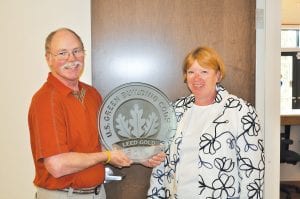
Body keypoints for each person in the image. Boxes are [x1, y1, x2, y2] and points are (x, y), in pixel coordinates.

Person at [28, 28, 136, 199]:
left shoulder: (92, 94)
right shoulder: (45, 100)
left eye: (76, 51)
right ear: (48, 58)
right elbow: (57, 165)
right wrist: (107, 156)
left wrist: (140, 155)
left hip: (97, 193)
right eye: (62, 53)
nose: (72, 59)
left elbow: (102, 144)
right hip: (64, 195)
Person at [147, 46, 265, 199]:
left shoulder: (240, 111)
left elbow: (253, 170)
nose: (197, 78)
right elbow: (161, 165)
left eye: (204, 72)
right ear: (185, 76)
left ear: (218, 75)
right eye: (191, 72)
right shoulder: (175, 110)